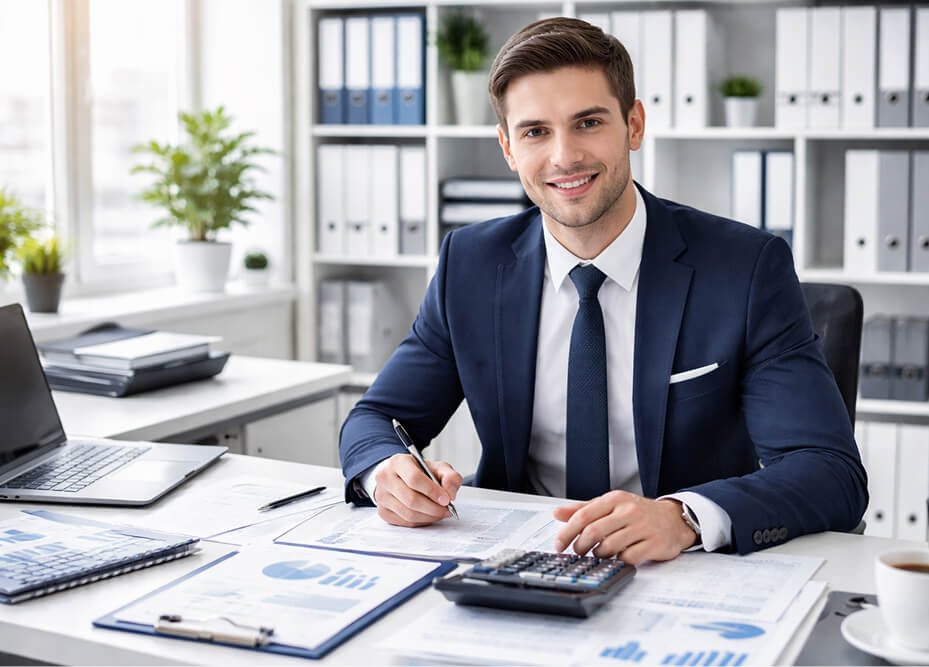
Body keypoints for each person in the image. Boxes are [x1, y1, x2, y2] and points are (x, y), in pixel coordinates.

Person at [339, 17, 868, 564]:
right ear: (507, 147)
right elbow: (375, 420)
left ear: (634, 125)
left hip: (680, 568)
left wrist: (684, 517)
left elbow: (830, 470)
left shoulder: (745, 269)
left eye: (588, 122)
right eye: (535, 131)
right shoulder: (470, 265)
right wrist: (387, 475)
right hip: (518, 559)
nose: (565, 156)